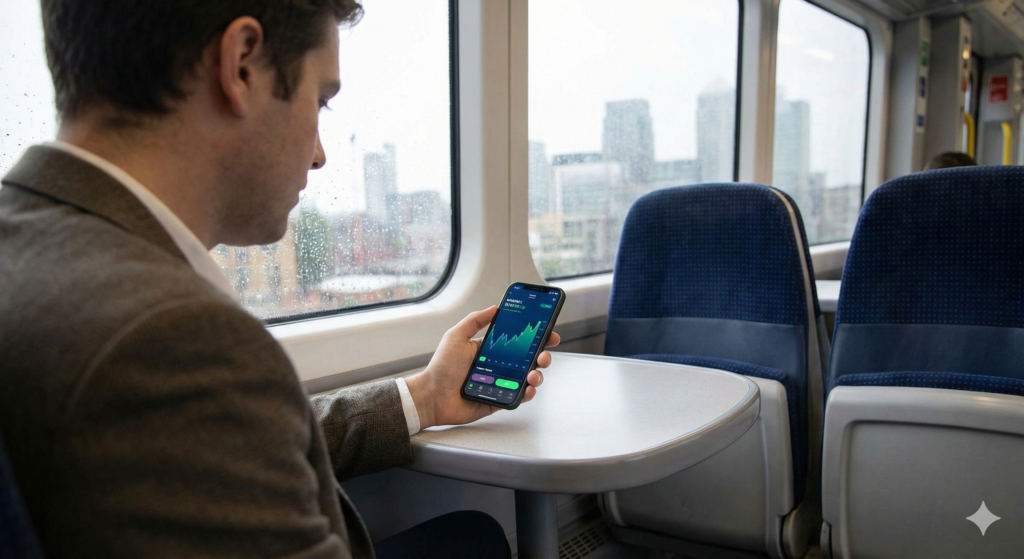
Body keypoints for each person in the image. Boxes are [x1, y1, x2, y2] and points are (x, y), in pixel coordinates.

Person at [0, 1, 558, 557]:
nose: (318, 156)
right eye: (320, 101)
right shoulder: (170, 335)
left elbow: (225, 442)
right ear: (242, 66)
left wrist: (426, 396)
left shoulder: (30, 243)